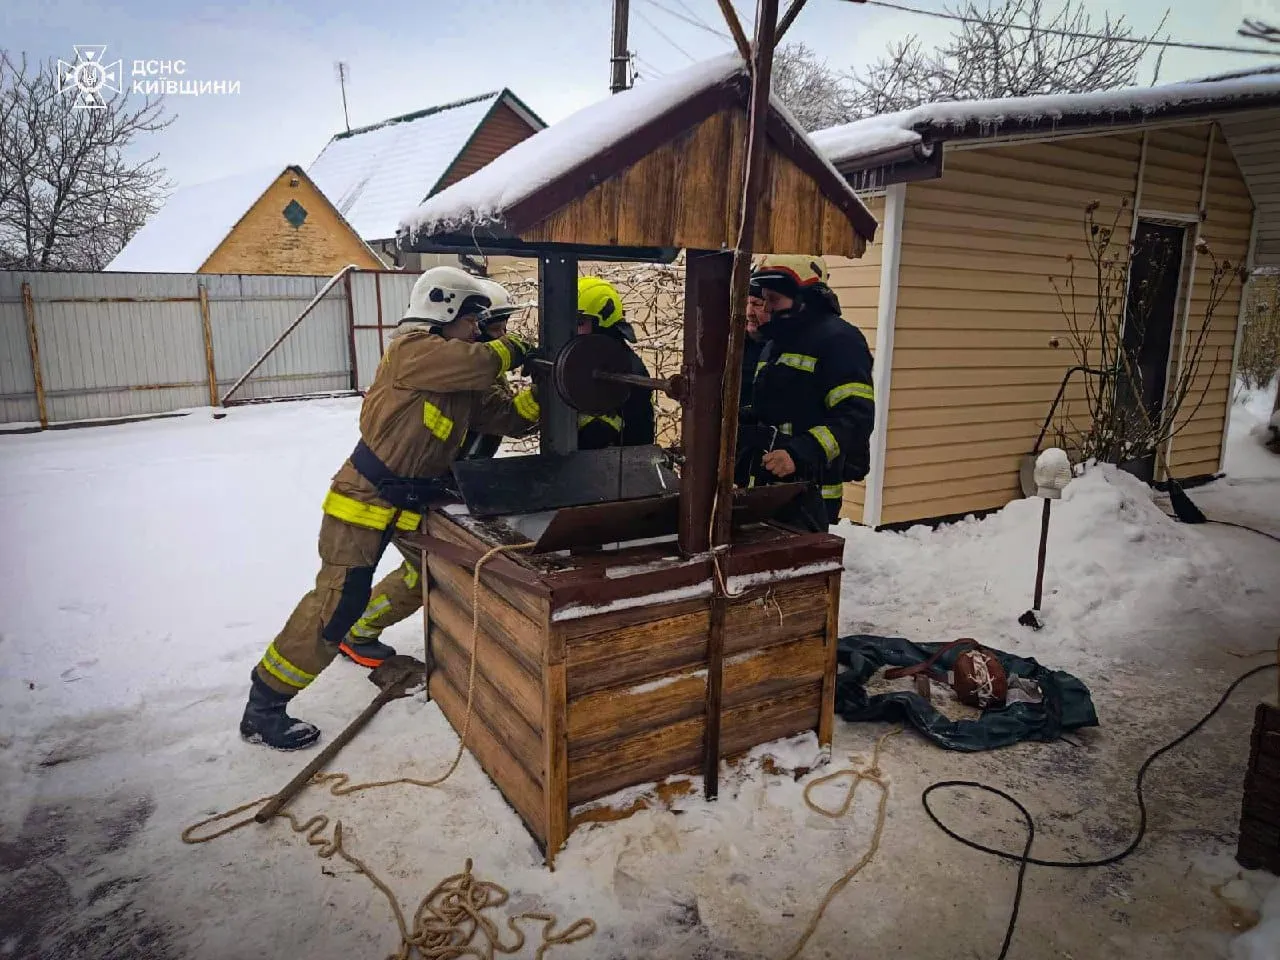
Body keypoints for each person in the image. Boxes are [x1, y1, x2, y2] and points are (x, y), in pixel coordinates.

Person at [239, 265, 541, 750]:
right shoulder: (414, 351)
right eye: (474, 320)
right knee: (334, 603)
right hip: (364, 499)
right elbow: (483, 363)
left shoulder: (457, 373)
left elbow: (506, 417)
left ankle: (361, 632)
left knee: (431, 576)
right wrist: (521, 349)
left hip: (410, 503)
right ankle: (264, 705)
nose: (479, 330)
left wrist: (547, 391)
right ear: (444, 311)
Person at [737, 254, 874, 532]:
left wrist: (798, 454)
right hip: (768, 487)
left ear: (804, 297)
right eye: (763, 299)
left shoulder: (839, 340)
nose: (766, 308)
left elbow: (855, 417)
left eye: (773, 299)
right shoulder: (776, 343)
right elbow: (777, 408)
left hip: (811, 493)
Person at [574, 277, 656, 449]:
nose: (573, 330)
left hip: (615, 469)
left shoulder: (626, 368)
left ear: (601, 323)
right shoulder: (587, 357)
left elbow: (636, 436)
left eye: (580, 322)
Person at [458, 277, 528, 460]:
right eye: (496, 329)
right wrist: (543, 391)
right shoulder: (466, 374)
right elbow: (509, 419)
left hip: (467, 469)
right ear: (475, 331)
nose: (503, 337)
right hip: (452, 474)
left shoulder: (485, 370)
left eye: (505, 329)